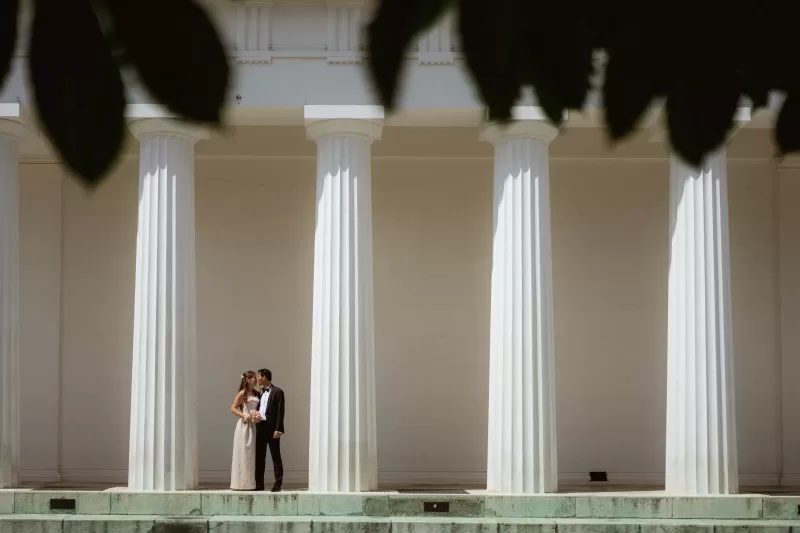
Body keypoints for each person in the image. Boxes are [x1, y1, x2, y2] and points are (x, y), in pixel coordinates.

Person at [255, 368, 285, 491]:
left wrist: (278, 429)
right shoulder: (260, 392)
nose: (257, 379)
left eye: (259, 376)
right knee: (259, 456)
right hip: (260, 427)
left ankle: (278, 483)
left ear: (265, 377)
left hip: (272, 429)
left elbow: (280, 412)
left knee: (275, 456)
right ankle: (259, 484)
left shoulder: (278, 392)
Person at [230, 371, 260, 490]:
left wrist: (257, 416)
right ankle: (241, 483)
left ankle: (251, 483)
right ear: (247, 380)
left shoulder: (257, 393)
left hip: (254, 425)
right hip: (244, 426)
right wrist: (244, 415)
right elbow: (233, 407)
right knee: (243, 453)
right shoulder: (242, 393)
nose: (256, 380)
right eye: (253, 378)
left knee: (252, 455)